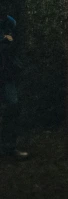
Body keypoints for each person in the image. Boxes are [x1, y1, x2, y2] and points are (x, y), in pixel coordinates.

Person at [0, 10, 28, 160]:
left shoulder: (9, 22)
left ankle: (8, 148)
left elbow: (11, 39)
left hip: (6, 74)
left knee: (13, 106)